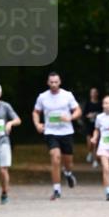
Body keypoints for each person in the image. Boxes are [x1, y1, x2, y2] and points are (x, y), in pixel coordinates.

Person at [32, 72, 81, 200]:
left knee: (68, 162)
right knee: (55, 158)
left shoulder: (67, 95)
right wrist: (37, 124)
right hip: (50, 132)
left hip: (66, 132)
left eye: (56, 82)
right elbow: (36, 112)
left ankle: (68, 173)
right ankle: (56, 190)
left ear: (59, 82)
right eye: (51, 82)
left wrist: (70, 117)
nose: (53, 84)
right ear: (48, 83)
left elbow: (78, 110)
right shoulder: (42, 97)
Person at [83, 87, 102, 166]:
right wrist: (89, 115)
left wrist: (96, 115)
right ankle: (90, 152)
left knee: (95, 143)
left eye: (95, 92)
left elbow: (103, 114)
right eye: (92, 92)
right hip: (89, 126)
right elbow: (84, 115)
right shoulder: (88, 103)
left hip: (97, 127)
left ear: (97, 93)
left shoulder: (100, 103)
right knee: (89, 143)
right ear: (90, 94)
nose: (93, 94)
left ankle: (95, 161)